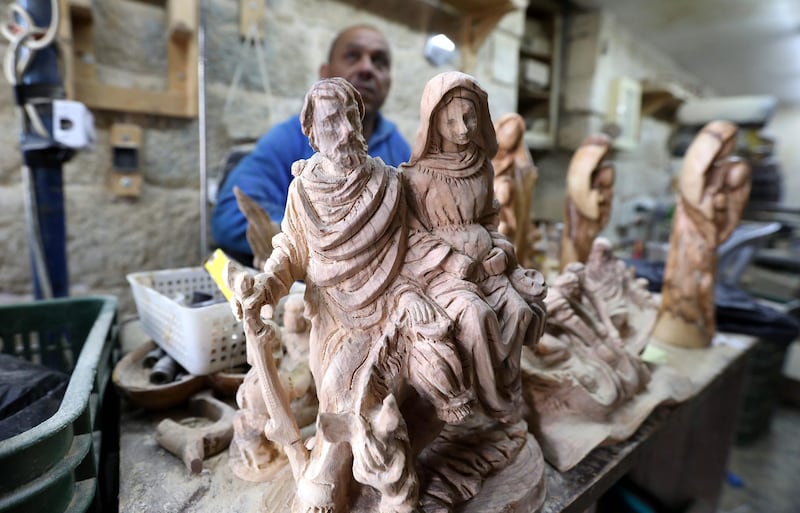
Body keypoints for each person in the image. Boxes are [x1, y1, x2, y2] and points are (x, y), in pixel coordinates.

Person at [235, 78, 471, 513]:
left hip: (388, 309)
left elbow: (412, 251)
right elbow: (290, 250)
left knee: (434, 368)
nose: (345, 131)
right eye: (331, 121)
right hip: (333, 318)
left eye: (351, 117)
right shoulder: (302, 191)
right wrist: (267, 284)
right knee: (339, 389)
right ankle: (335, 472)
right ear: (311, 132)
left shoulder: (388, 184)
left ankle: (344, 476)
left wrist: (408, 293)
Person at [400, 72, 547, 424]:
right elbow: (411, 235)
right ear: (434, 122)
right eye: (451, 120)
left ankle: (506, 395)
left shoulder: (481, 168)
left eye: (469, 117)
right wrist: (453, 262)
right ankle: (483, 405)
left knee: (519, 311)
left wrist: (502, 252)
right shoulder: (415, 176)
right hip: (440, 276)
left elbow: (489, 219)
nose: (463, 128)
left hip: (488, 269)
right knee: (476, 317)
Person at [212, 25, 411, 263]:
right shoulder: (288, 139)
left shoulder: (398, 148)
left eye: (379, 62)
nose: (367, 68)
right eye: (352, 56)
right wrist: (317, 234)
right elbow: (230, 215)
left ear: (389, 81)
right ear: (325, 73)